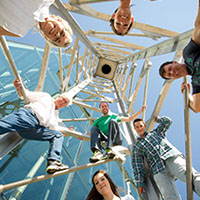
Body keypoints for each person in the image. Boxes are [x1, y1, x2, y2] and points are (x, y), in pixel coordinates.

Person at [0, 79, 73, 174]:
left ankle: (53, 161)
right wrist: (18, 87)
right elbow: (26, 94)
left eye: (65, 103)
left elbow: (54, 130)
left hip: (34, 129)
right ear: (59, 96)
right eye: (63, 99)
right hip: (28, 116)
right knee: (2, 126)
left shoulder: (55, 117)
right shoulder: (46, 97)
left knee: (58, 135)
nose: (62, 102)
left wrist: (67, 132)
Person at [132, 116, 200, 199]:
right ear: (134, 129)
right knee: (169, 196)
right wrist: (139, 183)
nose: (139, 128)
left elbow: (167, 121)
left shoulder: (156, 133)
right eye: (137, 127)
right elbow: (137, 166)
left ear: (145, 126)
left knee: (191, 176)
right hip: (157, 169)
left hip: (171, 158)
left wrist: (157, 119)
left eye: (141, 126)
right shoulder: (137, 147)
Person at [159, 0, 200, 113]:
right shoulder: (196, 81)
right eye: (170, 75)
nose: (173, 72)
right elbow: (196, 108)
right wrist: (187, 95)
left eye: (170, 69)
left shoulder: (187, 54)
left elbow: (198, 28)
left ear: (175, 62)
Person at [0, 0, 73, 48]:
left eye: (56, 39)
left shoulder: (18, 31)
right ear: (60, 20)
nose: (57, 35)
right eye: (62, 33)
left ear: (46, 38)